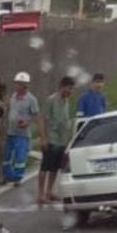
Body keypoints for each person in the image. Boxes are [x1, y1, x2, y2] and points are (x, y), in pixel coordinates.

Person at [39, 77, 75, 205]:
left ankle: (49, 192)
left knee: (54, 168)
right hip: (51, 139)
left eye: (71, 89)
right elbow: (43, 119)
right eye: (69, 88)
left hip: (62, 140)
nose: (70, 91)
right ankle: (41, 194)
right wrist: (43, 138)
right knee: (45, 167)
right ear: (62, 87)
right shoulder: (51, 100)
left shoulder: (66, 101)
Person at [3, 72, 40, 184]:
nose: (18, 86)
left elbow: (36, 115)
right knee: (6, 156)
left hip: (22, 134)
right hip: (10, 132)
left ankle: (17, 177)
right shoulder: (12, 97)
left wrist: (27, 123)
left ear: (25, 86)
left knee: (20, 158)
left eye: (21, 84)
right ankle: (7, 175)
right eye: (17, 83)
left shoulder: (31, 99)